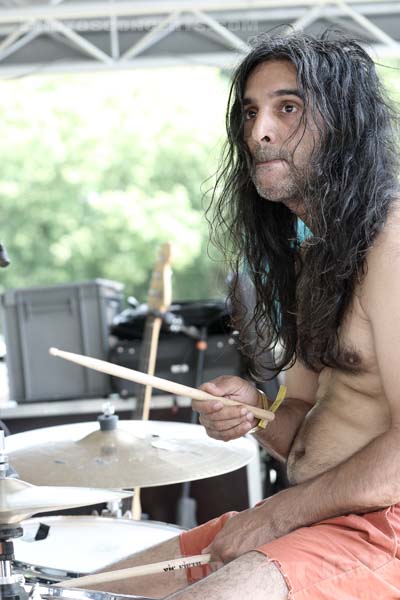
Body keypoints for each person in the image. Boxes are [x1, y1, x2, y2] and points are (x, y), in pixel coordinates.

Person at [91, 32, 400, 599]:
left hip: (383, 530)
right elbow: (307, 424)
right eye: (251, 112)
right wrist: (254, 411)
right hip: (317, 521)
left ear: (345, 126)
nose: (259, 132)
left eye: (288, 109)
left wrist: (278, 514)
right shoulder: (319, 256)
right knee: (104, 589)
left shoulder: (393, 242)